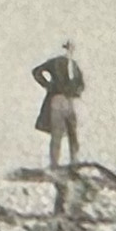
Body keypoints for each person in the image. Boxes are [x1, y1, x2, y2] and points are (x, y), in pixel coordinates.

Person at [32, 41, 85, 169]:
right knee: (59, 132)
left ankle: (72, 162)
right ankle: (56, 163)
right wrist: (49, 86)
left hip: (67, 100)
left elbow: (81, 83)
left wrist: (76, 90)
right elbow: (37, 72)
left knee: (70, 132)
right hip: (59, 98)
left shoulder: (73, 65)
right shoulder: (58, 62)